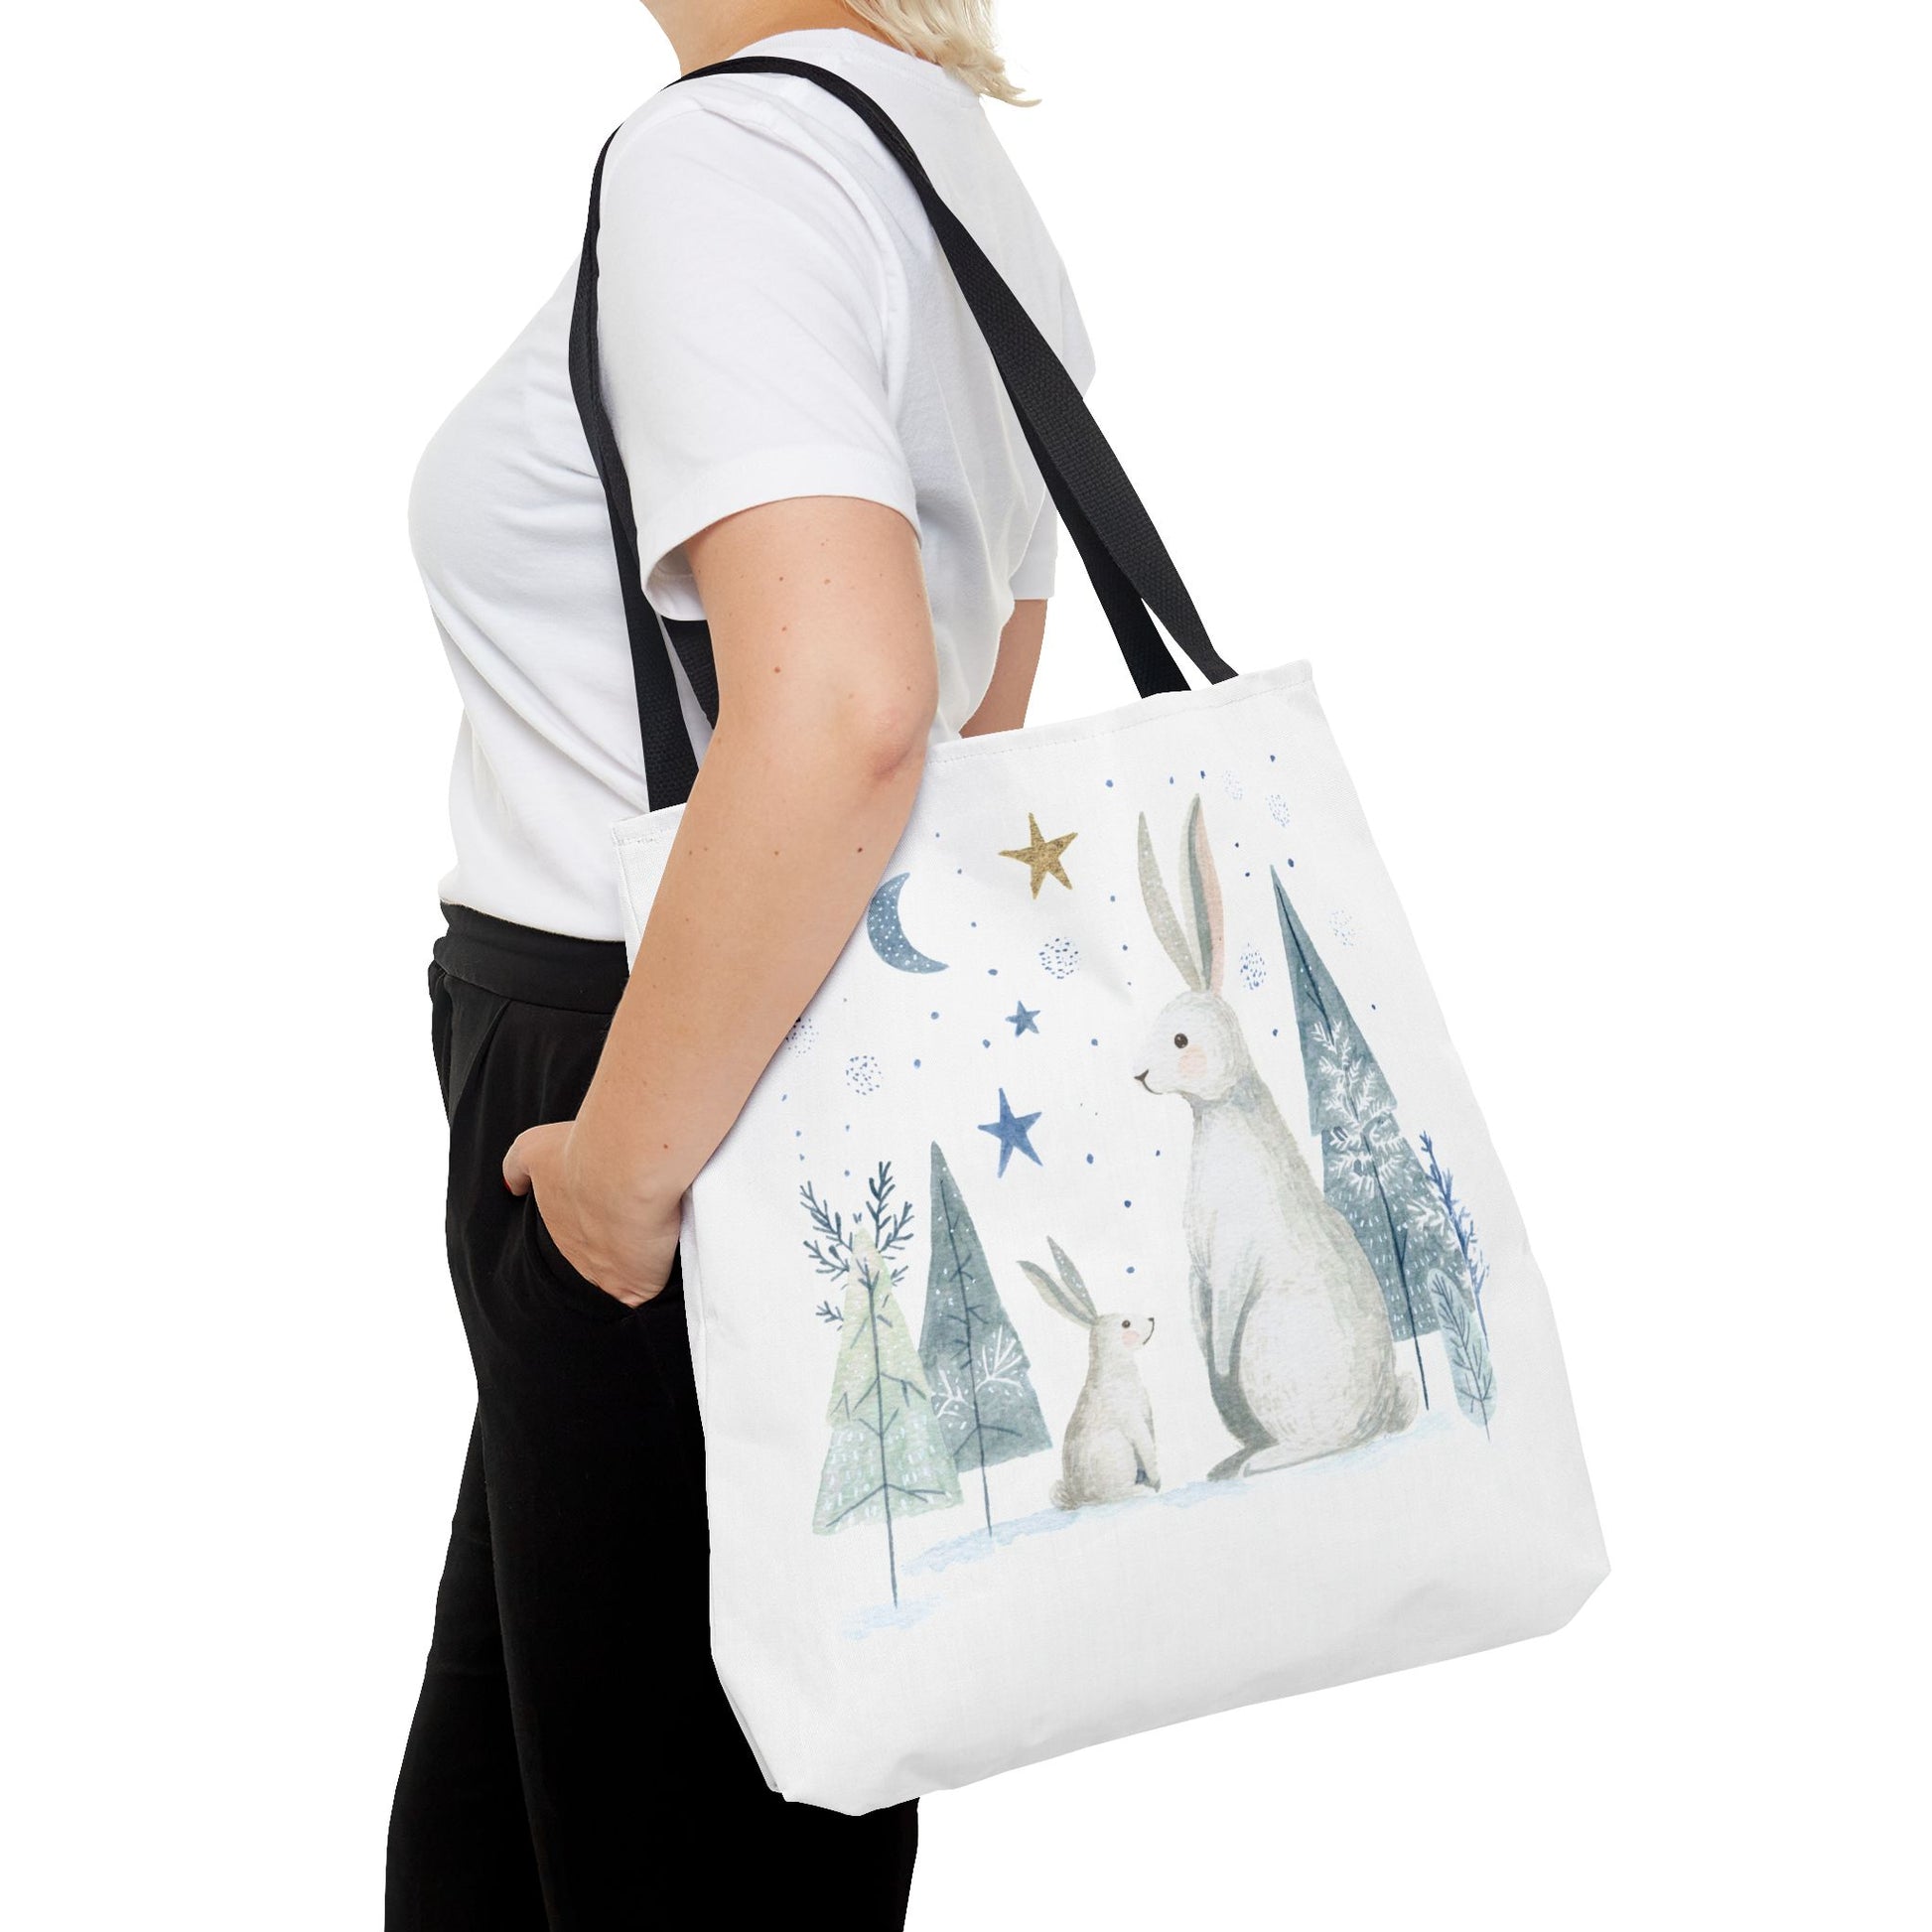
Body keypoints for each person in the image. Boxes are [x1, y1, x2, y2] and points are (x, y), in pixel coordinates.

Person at [387, 4, 1091, 1925]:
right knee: (547, 1836)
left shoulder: (729, 159)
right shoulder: (933, 150)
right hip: (773, 1051)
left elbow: (857, 709)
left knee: (663, 1858)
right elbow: (979, 709)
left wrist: (620, 1182)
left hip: (652, 1090)